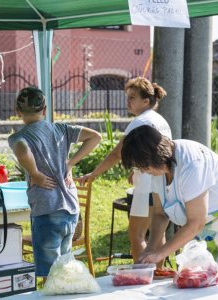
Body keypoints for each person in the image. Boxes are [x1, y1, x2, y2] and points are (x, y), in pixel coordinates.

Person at [121, 125, 218, 283]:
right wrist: (151, 249)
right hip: (213, 233)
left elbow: (196, 223)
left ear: (155, 156)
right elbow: (160, 214)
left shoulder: (192, 164)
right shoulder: (158, 169)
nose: (143, 172)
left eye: (144, 166)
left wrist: (161, 254)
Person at [8, 86, 101, 279]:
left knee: (51, 274)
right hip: (71, 209)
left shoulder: (19, 137)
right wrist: (71, 162)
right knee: (64, 267)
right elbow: (95, 137)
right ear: (44, 109)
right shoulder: (61, 129)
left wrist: (34, 173)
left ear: (18, 112)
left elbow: (22, 149)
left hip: (46, 210)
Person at [76, 76, 172, 264]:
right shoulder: (160, 120)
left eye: (132, 98)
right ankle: (158, 274)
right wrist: (137, 168)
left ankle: (141, 278)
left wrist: (93, 174)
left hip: (146, 187)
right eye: (127, 97)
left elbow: (116, 154)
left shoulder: (139, 122)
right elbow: (158, 153)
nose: (127, 102)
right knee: (157, 232)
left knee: (137, 234)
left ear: (146, 101)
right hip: (163, 184)